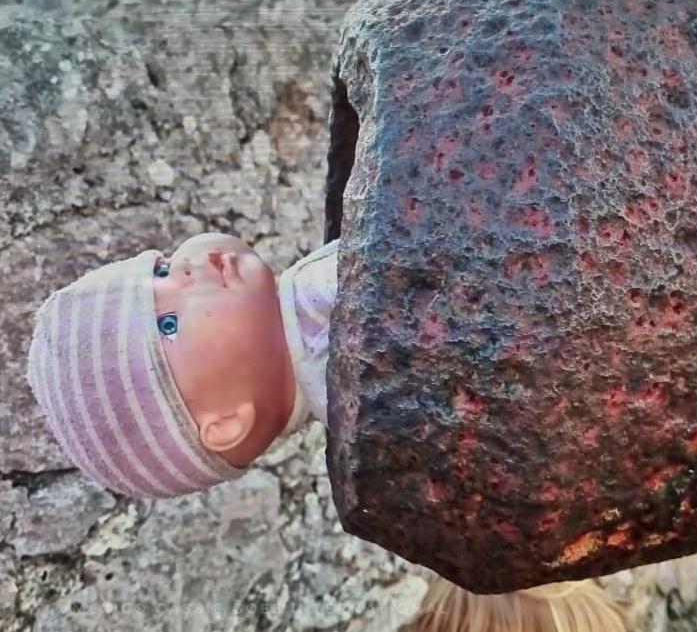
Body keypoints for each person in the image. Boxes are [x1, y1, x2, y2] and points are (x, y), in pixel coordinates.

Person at [25, 231, 629, 632]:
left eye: (160, 266)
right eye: (168, 319)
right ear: (226, 422)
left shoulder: (320, 328)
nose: (184, 268)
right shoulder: (345, 343)